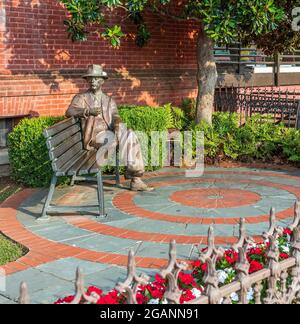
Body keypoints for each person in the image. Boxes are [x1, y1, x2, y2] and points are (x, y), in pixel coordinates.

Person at [66, 64, 153, 192]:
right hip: (94, 137)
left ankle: (136, 178)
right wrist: (87, 111)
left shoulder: (109, 100)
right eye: (90, 79)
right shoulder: (81, 98)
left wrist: (117, 125)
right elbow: (69, 111)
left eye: (96, 78)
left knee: (129, 133)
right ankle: (133, 175)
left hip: (109, 134)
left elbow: (115, 115)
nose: (93, 81)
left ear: (102, 81)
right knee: (114, 139)